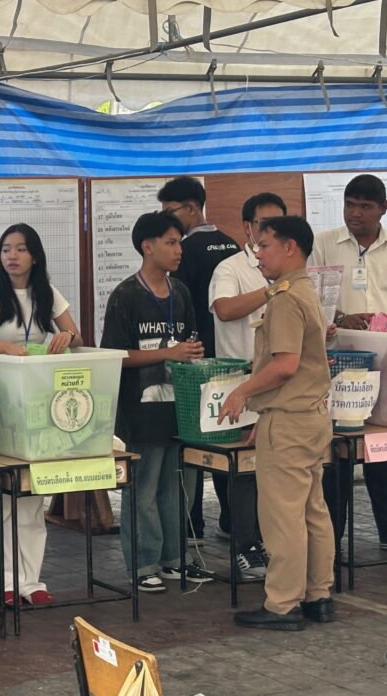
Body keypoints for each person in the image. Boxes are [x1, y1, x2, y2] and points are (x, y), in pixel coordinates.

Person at [0, 223, 82, 606]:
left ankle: (31, 581)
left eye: (20, 249)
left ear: (35, 255)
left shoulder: (48, 294)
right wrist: (2, 348)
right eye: (6, 249)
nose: (12, 255)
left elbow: (75, 333)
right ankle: (0, 582)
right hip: (0, 402)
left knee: (31, 493)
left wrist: (66, 338)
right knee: (3, 496)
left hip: (40, 403)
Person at [220, 216, 335, 631]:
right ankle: (318, 595)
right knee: (311, 512)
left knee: (282, 516)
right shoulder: (304, 289)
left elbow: (285, 365)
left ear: (290, 248)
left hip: (288, 422)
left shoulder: (286, 298)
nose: (258, 254)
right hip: (310, 416)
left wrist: (243, 392)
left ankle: (282, 604)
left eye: (265, 246)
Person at [100, 211, 210, 592]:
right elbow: (114, 355)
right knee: (142, 490)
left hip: (178, 409)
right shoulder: (126, 296)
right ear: (147, 247)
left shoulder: (180, 292)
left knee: (179, 487)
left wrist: (189, 352)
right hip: (140, 412)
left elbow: (191, 344)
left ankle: (174, 558)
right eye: (170, 242)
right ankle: (144, 562)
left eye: (179, 242)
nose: (179, 250)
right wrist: (168, 354)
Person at [310, 173, 387, 551]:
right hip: (337, 359)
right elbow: (312, 298)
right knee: (337, 450)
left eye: (364, 206)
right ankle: (331, 539)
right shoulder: (325, 244)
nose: (355, 213)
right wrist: (342, 318)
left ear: (383, 209)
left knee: (385, 449)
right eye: (350, 204)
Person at [207, 192, 288, 578]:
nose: (269, 232)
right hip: (238, 382)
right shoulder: (231, 268)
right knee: (242, 471)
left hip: (280, 384)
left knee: (271, 471)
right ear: (247, 228)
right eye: (262, 225)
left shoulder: (290, 267)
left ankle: (267, 543)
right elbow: (224, 310)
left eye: (277, 225)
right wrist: (272, 289)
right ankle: (244, 547)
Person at [157, 176, 241, 545]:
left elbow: (180, 306)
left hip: (196, 361)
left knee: (192, 441)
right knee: (227, 440)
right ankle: (232, 518)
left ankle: (193, 524)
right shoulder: (233, 244)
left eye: (169, 213)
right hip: (231, 359)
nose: (168, 223)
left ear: (191, 208)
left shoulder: (186, 251)